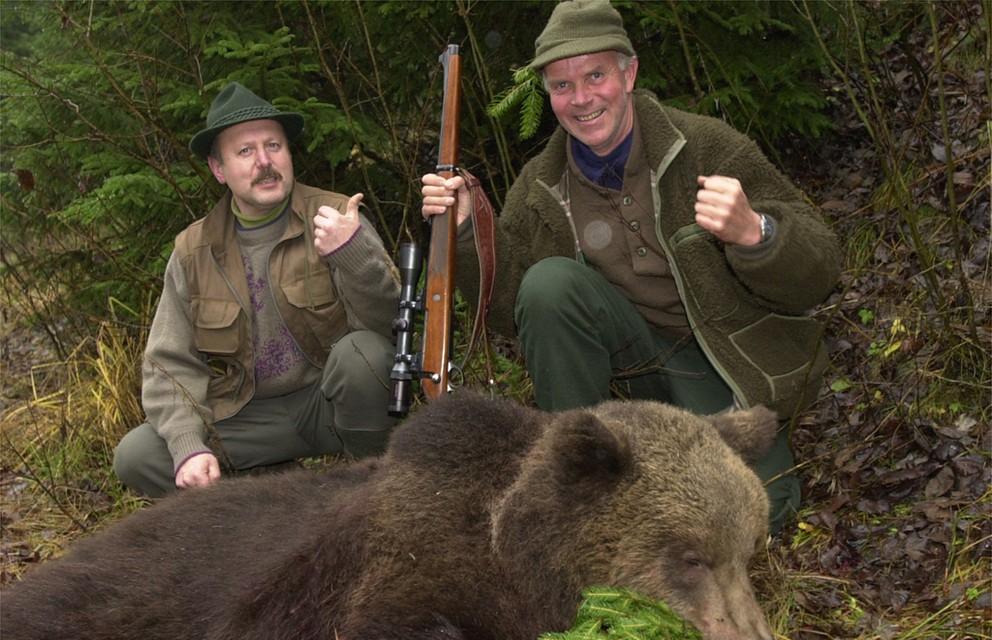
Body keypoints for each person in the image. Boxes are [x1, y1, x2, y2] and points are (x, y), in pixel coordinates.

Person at [421, 0, 840, 534]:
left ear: (629, 72)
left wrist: (755, 232)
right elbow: (510, 310)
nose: (581, 99)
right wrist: (464, 232)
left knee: (759, 512)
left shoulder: (706, 147)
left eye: (595, 75)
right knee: (549, 285)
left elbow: (820, 271)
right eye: (562, 86)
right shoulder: (540, 187)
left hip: (719, 370)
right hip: (622, 381)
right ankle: (576, 485)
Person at [114, 82, 401, 498]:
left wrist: (352, 256)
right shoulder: (194, 251)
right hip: (250, 415)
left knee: (362, 355)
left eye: (273, 145)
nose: (264, 162)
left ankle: (373, 492)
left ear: (289, 154)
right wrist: (189, 447)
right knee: (137, 455)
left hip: (330, 406)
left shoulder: (336, 217)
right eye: (245, 152)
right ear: (219, 170)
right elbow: (168, 365)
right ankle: (251, 511)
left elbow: (388, 328)